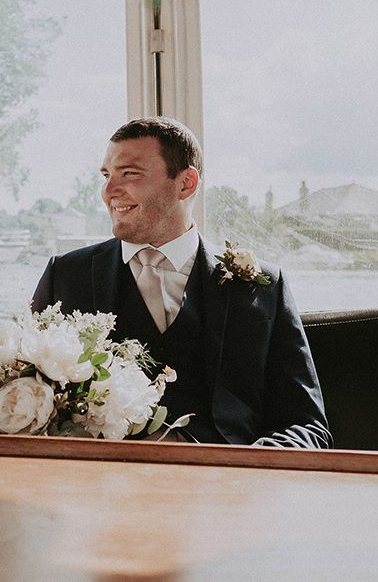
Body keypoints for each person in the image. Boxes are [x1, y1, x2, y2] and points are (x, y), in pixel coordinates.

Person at [32, 117, 331, 448]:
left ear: (186, 183)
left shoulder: (263, 287)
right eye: (106, 175)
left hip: (229, 485)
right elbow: (32, 404)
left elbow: (307, 424)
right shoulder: (66, 276)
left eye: (129, 174)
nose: (108, 191)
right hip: (103, 483)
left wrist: (249, 471)